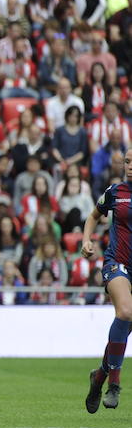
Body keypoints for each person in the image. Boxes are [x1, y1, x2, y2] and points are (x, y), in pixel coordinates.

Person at [82, 148, 132, 413]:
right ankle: (114, 384)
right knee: (125, 312)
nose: (130, 166)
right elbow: (93, 216)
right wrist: (86, 239)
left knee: (124, 329)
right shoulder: (115, 192)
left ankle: (99, 375)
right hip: (117, 263)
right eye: (127, 161)